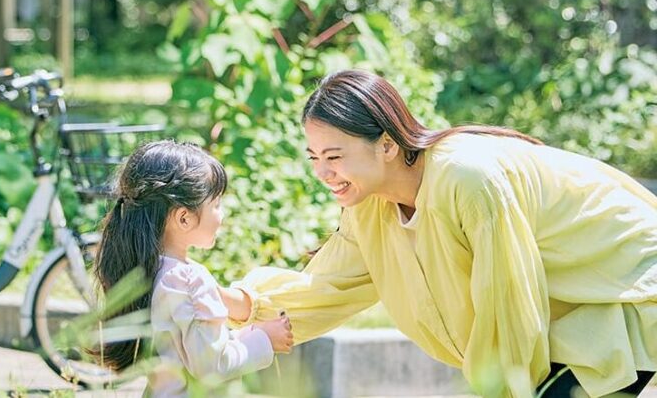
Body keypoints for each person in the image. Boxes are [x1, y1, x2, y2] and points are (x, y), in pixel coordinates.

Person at [219, 69, 657, 397]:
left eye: (334, 155)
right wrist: (228, 302)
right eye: (313, 157)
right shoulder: (370, 204)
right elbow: (328, 285)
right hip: (569, 317)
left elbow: (508, 303)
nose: (322, 172)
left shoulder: (467, 180)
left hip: (625, 291)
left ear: (388, 145)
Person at [93, 140, 294, 397]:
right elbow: (212, 367)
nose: (222, 214)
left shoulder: (149, 269)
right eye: (216, 205)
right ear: (184, 218)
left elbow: (191, 350)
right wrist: (265, 339)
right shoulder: (189, 280)